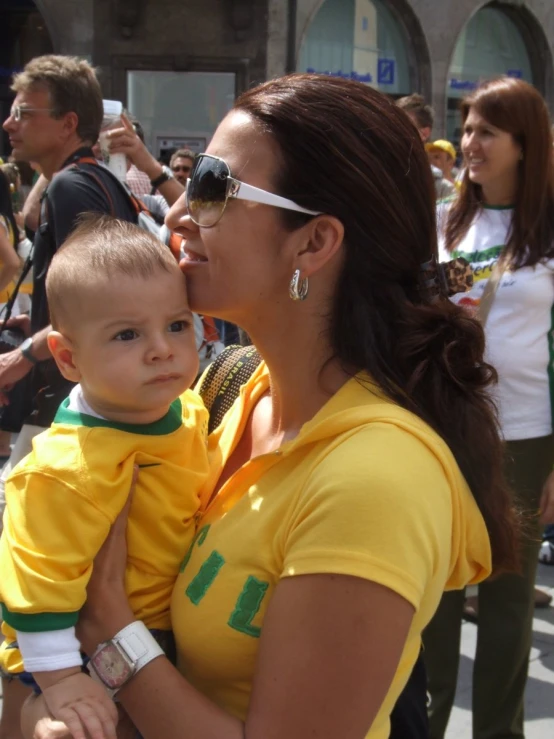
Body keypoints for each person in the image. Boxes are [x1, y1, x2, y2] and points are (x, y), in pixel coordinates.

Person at [24, 73, 518, 739]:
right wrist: (39, 707)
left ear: (312, 244)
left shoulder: (374, 480)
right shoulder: (220, 392)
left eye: (212, 189)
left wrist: (111, 631)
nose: (175, 213)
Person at [0, 215, 209, 739]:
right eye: (127, 334)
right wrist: (62, 680)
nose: (162, 348)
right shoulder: (68, 468)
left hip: (157, 630)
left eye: (177, 325)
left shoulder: (186, 408)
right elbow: (37, 583)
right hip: (76, 651)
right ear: (68, 358)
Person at [425, 75, 554, 739]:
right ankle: (426, 721)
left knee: (506, 596)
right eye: (468, 128)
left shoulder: (550, 230)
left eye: (487, 132)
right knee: (439, 588)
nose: (470, 143)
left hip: (527, 437)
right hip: (447, 426)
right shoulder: (449, 217)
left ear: (525, 144)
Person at [396, 94, 456, 200]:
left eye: (403, 125)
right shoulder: (377, 174)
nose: (395, 130)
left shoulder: (443, 190)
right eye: (393, 123)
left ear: (424, 133)